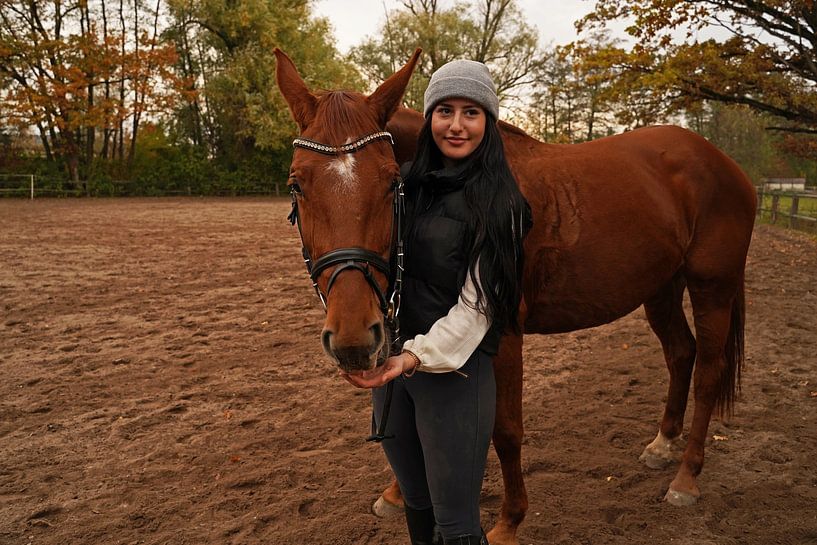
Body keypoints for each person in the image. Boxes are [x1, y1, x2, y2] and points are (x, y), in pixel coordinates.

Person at [343, 59, 531, 545]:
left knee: (457, 524)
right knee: (418, 505)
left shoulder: (502, 203)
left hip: (453, 376)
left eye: (471, 112)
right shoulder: (406, 183)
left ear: (488, 121)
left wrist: (413, 357)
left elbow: (479, 309)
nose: (456, 124)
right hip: (392, 373)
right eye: (444, 109)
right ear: (429, 118)